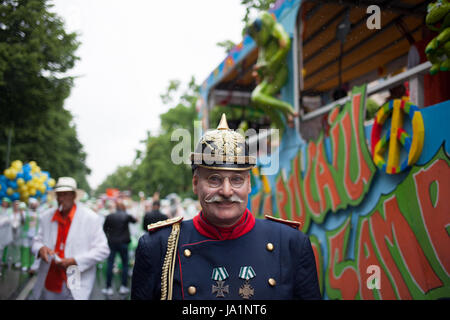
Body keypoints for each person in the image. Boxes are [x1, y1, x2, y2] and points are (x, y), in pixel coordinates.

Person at [131, 114, 321, 300]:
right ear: (195, 184)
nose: (227, 191)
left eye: (236, 180)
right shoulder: (158, 247)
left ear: (248, 184)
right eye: (214, 179)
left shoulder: (290, 243)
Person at [31, 177, 110, 300]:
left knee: (74, 295)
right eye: (59, 195)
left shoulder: (90, 218)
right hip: (50, 277)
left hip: (75, 274)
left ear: (73, 196)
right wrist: (40, 248)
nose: (61, 199)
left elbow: (103, 250)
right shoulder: (46, 217)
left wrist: (75, 260)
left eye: (65, 194)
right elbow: (37, 241)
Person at [102, 198, 137, 295]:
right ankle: (123, 286)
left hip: (112, 242)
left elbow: (105, 228)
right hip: (124, 243)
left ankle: (108, 287)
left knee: (110, 264)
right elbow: (135, 220)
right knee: (125, 264)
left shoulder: (110, 216)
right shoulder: (126, 215)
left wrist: (109, 236)